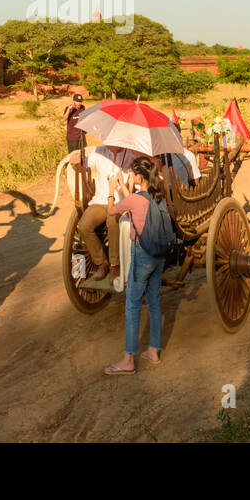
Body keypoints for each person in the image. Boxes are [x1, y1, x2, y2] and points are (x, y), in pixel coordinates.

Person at [103, 157, 165, 375]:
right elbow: (135, 203)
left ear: (138, 177)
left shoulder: (135, 200)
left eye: (132, 173)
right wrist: (123, 185)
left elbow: (112, 211)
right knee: (155, 303)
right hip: (159, 255)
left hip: (141, 254)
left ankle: (129, 359)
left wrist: (112, 190)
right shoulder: (157, 197)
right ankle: (153, 350)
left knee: (132, 306)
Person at [74, 144, 139, 284]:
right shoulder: (99, 151)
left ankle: (115, 265)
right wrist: (76, 163)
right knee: (83, 225)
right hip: (100, 200)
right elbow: (83, 166)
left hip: (120, 202)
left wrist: (124, 185)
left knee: (112, 221)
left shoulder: (130, 154)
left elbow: (136, 181)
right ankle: (102, 262)